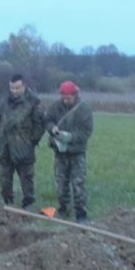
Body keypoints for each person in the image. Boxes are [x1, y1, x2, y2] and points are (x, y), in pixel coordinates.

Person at [44, 80, 94, 223]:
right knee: (61, 183)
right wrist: (52, 128)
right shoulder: (56, 106)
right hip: (60, 153)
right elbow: (47, 120)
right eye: (63, 97)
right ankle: (64, 210)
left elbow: (86, 131)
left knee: (78, 183)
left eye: (68, 98)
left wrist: (70, 137)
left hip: (77, 153)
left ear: (75, 95)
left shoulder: (84, 109)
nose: (65, 101)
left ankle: (81, 213)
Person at [0, 74, 44, 210]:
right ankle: (7, 204)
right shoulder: (3, 101)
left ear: (24, 86)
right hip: (4, 148)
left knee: (26, 180)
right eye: (11, 88)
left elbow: (39, 125)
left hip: (23, 147)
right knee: (4, 180)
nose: (14, 91)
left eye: (17, 88)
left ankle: (29, 206)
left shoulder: (33, 102)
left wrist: (31, 141)